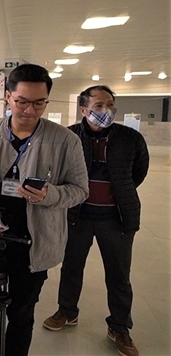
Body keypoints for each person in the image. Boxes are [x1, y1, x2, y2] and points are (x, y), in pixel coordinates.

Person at [0, 63, 89, 356]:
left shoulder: (65, 140)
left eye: (39, 102)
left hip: (32, 245)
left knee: (20, 313)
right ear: (7, 97)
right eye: (22, 101)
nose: (30, 110)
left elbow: (80, 191)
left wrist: (49, 194)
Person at [43, 85, 149, 356]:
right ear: (83, 110)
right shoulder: (68, 136)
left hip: (117, 218)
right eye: (99, 106)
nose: (107, 111)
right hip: (78, 215)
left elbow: (138, 172)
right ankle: (67, 311)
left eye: (110, 105)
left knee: (118, 275)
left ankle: (120, 328)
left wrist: (117, 192)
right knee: (71, 267)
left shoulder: (130, 138)